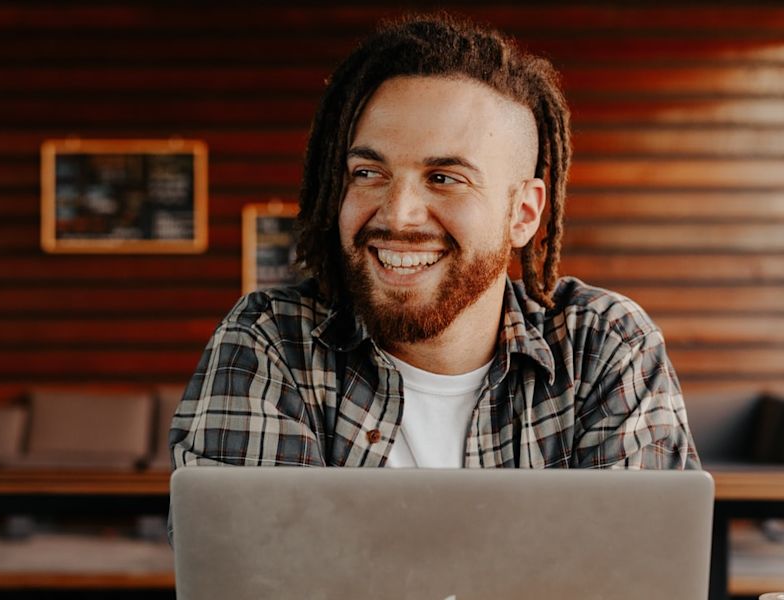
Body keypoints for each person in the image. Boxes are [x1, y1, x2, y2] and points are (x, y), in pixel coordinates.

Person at [168, 14, 699, 471]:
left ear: (524, 214)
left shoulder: (603, 348)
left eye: (444, 177)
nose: (398, 214)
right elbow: (258, 580)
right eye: (368, 172)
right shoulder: (272, 342)